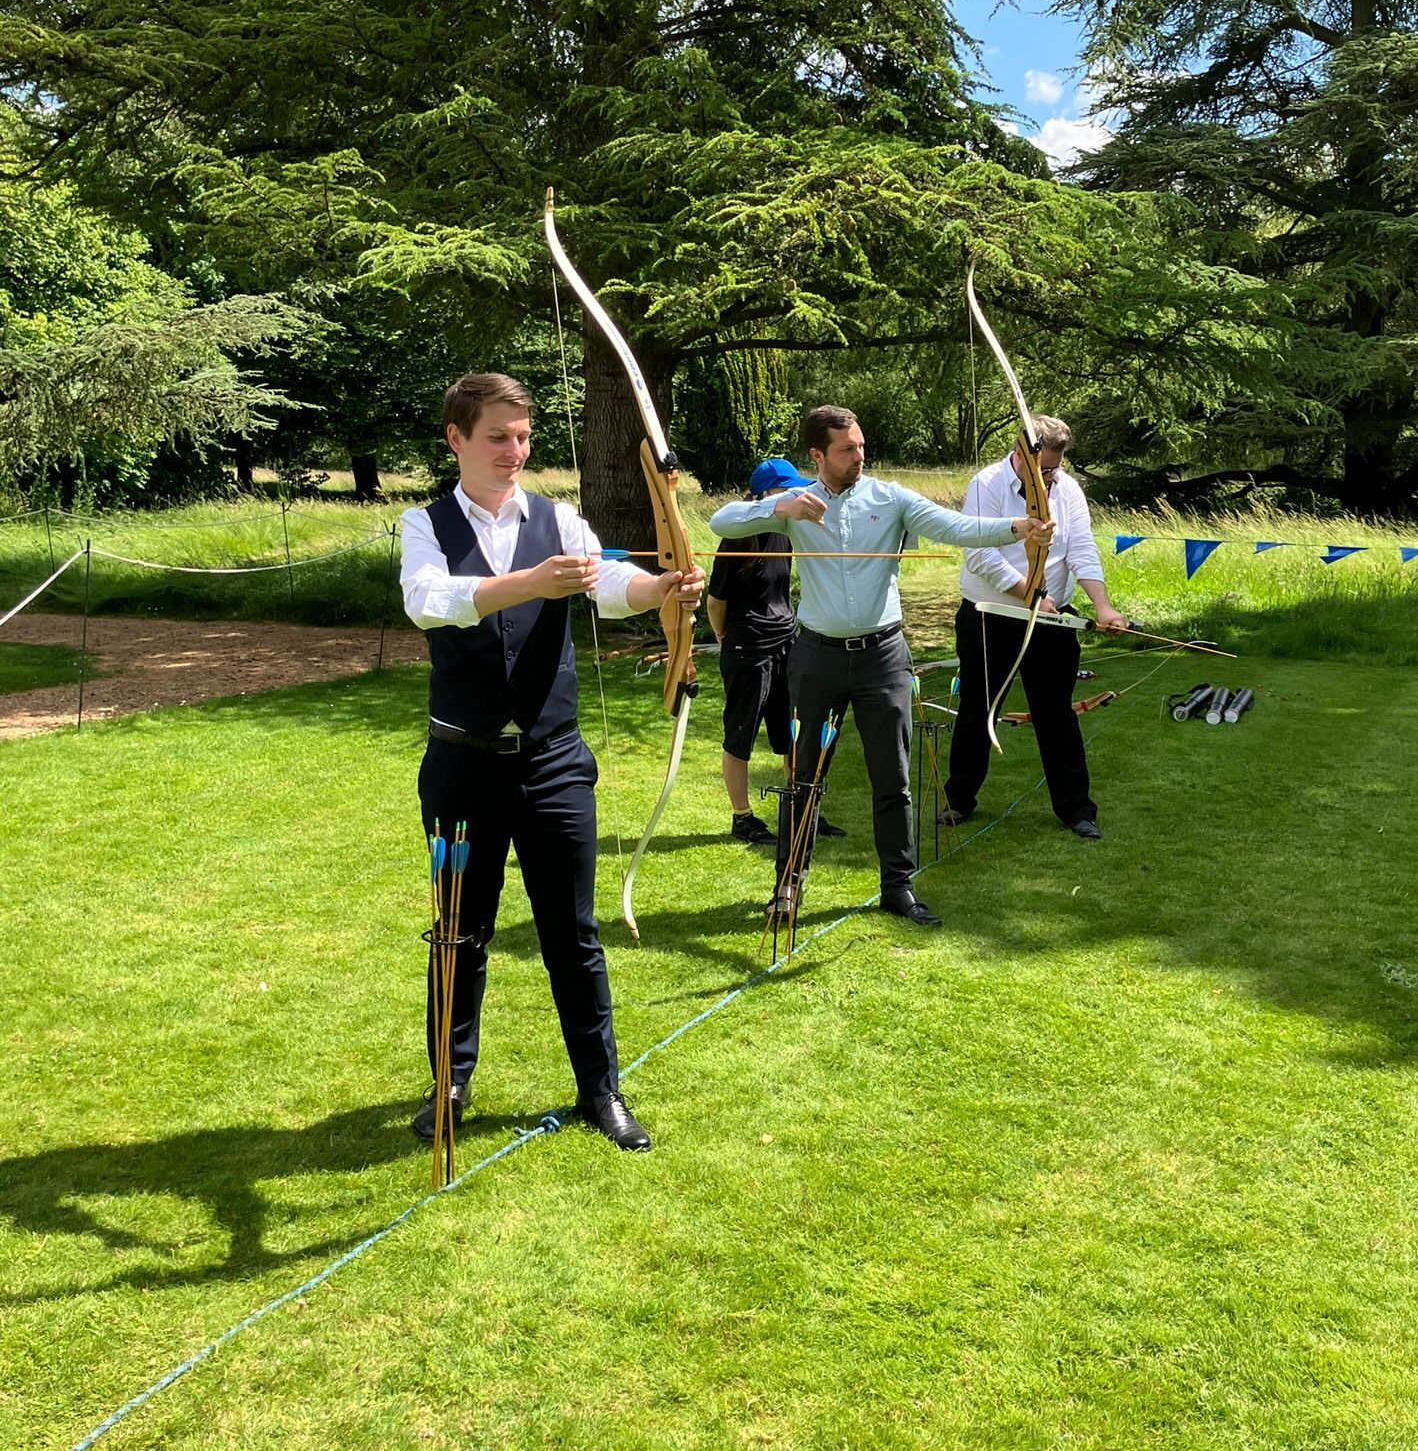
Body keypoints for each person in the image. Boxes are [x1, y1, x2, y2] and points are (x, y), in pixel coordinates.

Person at [399, 372, 704, 1152]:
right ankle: (452, 1083)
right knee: (460, 932)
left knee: (573, 933)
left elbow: (607, 582)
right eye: (497, 435)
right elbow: (429, 600)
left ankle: (600, 1090)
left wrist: (663, 589)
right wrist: (529, 583)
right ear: (456, 439)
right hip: (463, 765)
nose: (515, 450)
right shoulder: (424, 524)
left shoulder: (558, 517)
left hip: (554, 764)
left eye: (524, 436)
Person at [708, 406, 1053, 926]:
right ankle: (788, 887)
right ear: (817, 455)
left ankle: (898, 886)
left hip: (883, 657)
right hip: (816, 656)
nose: (859, 456)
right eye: (847, 450)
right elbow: (722, 520)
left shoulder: (888, 497)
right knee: (803, 778)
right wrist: (784, 507)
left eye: (861, 446)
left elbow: (955, 527)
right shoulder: (799, 502)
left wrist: (1020, 526)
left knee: (893, 778)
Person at [942, 414, 1127, 840]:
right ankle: (959, 800)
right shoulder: (986, 484)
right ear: (1021, 452)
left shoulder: (1068, 490)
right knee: (978, 709)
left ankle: (1076, 810)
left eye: (1055, 468)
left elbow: (1081, 548)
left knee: (1056, 713)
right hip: (991, 615)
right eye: (1042, 467)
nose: (1049, 477)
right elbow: (979, 555)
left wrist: (1102, 606)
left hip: (1051, 616)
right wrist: (1031, 594)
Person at [706, 457, 842, 848]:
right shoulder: (738, 535)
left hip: (787, 640)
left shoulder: (786, 529)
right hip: (747, 647)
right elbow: (716, 600)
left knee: (793, 732)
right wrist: (722, 633)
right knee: (741, 733)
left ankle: (801, 809)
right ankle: (742, 818)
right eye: (789, 489)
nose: (800, 495)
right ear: (766, 495)